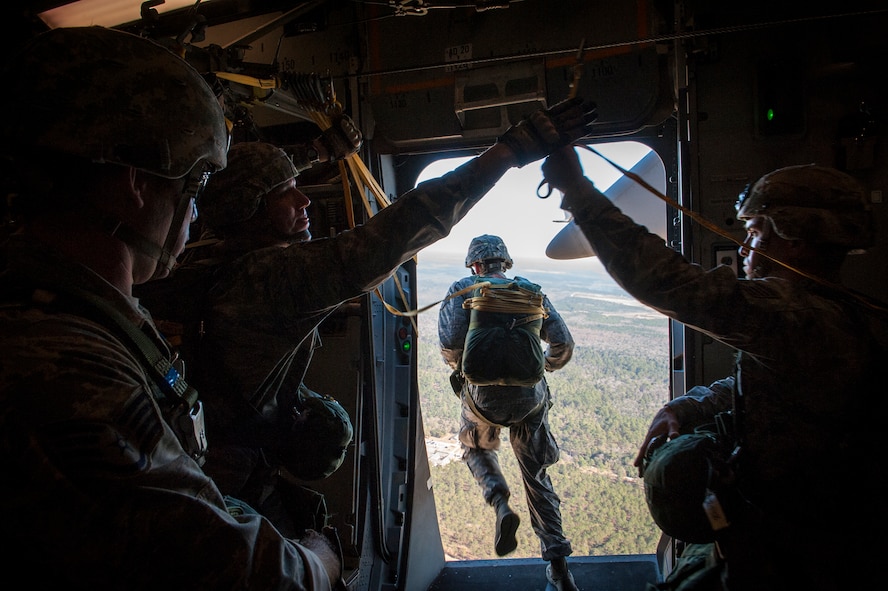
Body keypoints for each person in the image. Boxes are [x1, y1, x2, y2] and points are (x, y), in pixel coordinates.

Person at [135, 97, 598, 540]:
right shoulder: (273, 279)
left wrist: (319, 151)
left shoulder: (205, 259)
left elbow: (245, 181)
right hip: (228, 480)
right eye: (285, 193)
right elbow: (401, 228)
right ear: (252, 209)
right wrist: (510, 150)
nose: (305, 200)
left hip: (196, 464)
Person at [0, 26, 348, 589]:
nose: (195, 214)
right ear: (137, 180)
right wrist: (319, 564)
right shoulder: (63, 361)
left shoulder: (83, 312)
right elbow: (243, 575)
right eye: (196, 181)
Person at [540, 148, 887, 591]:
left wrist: (577, 190)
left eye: (757, 232)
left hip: (793, 553)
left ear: (796, 239)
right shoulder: (836, 314)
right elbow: (769, 381)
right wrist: (690, 405)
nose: (744, 247)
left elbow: (668, 283)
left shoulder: (795, 314)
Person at [437, 235, 578, 591]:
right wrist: (543, 367)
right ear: (506, 263)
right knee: (537, 478)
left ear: (475, 265)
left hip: (483, 400)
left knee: (475, 447)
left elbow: (451, 346)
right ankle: (559, 568)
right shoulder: (531, 292)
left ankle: (500, 502)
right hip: (530, 398)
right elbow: (563, 343)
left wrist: (470, 371)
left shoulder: (463, 290)